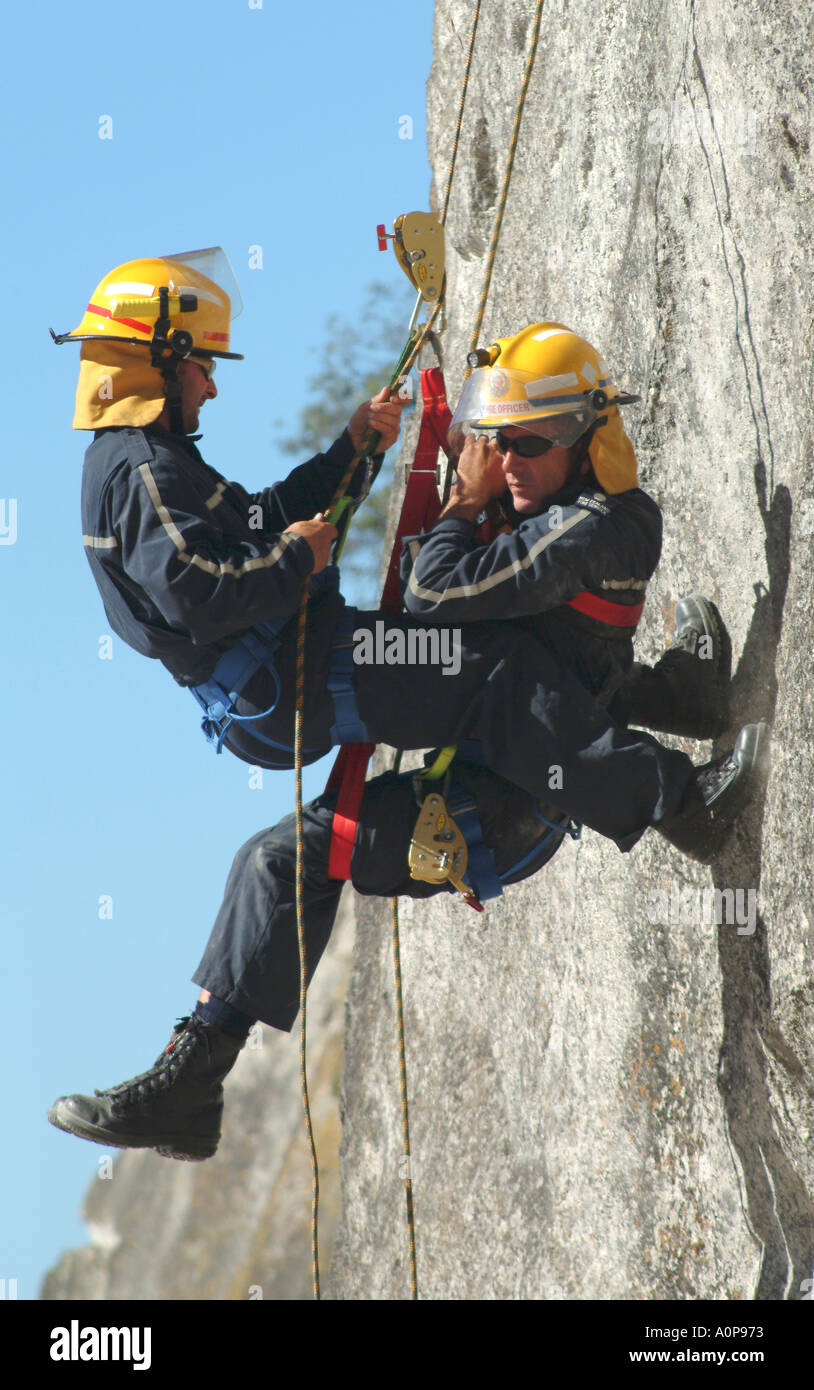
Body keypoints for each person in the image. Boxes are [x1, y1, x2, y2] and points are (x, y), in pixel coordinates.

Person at [47, 256, 767, 1159]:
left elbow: (264, 522)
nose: (210, 388)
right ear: (160, 355)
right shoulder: (144, 470)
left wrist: (353, 453)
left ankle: (189, 1086)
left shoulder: (150, 466)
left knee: (278, 857)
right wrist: (304, 564)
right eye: (203, 367)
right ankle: (676, 799)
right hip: (302, 678)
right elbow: (204, 586)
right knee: (485, 666)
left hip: (300, 683)